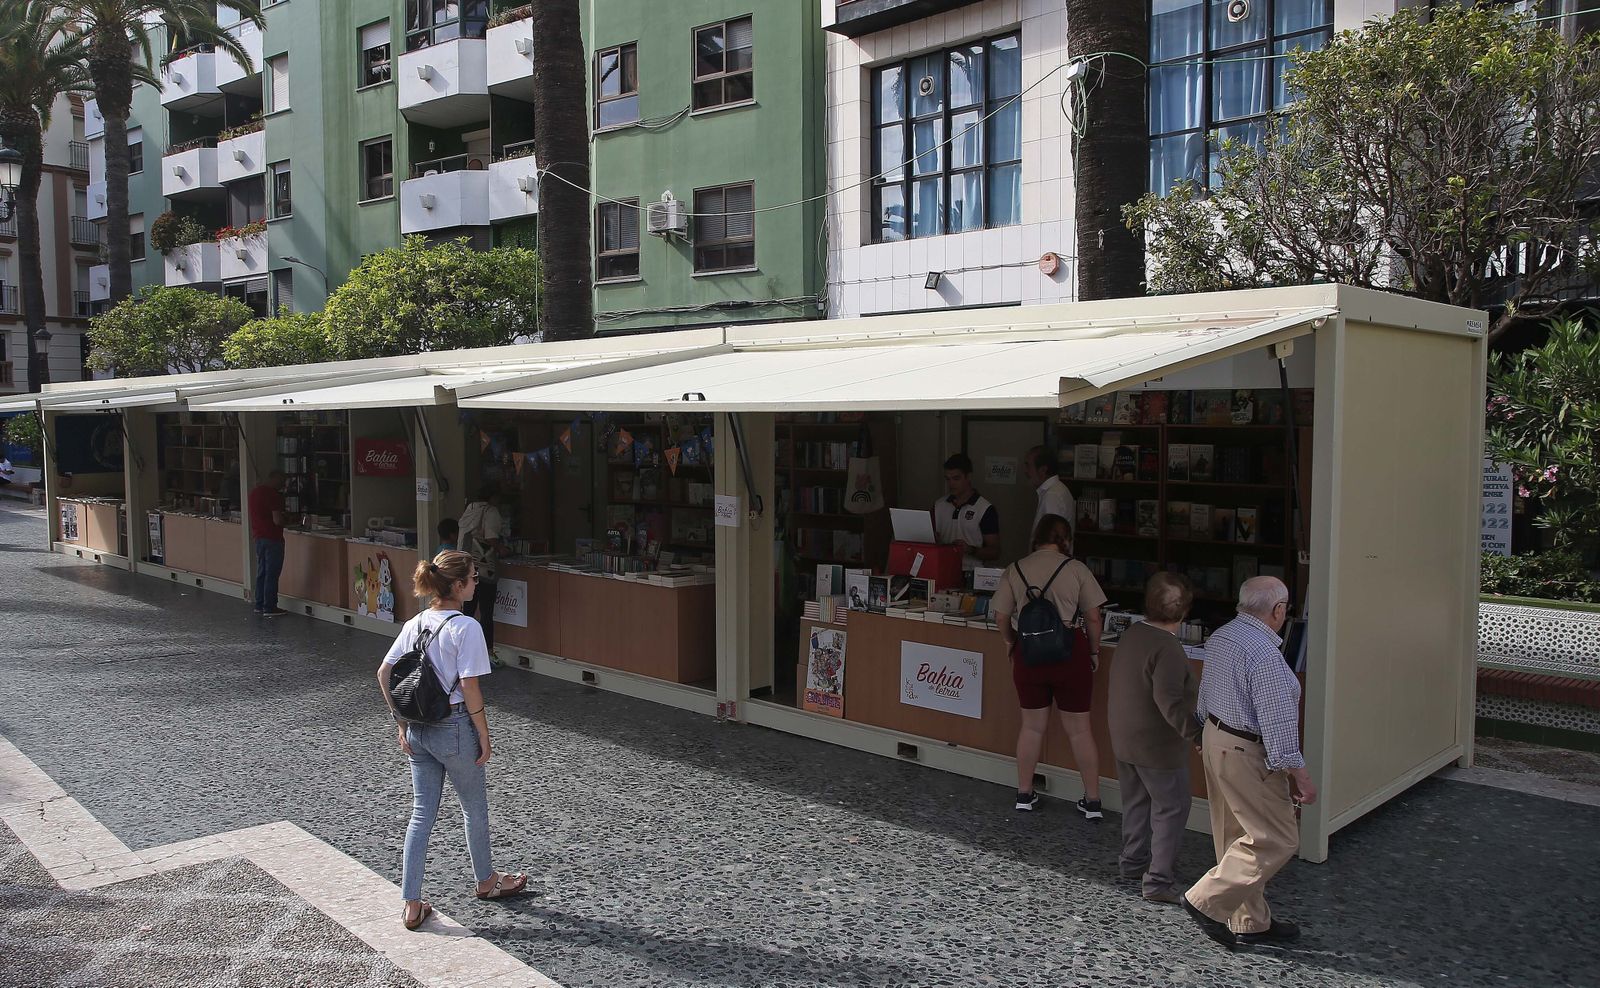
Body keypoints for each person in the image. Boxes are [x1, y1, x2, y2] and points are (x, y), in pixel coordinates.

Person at [377, 550, 527, 931]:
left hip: (419, 730)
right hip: (455, 727)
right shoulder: (467, 628)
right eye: (474, 578)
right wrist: (484, 733)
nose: (477, 583)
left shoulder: (416, 622)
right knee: (473, 808)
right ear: (458, 585)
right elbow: (469, 685)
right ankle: (487, 882)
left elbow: (384, 672)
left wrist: (400, 722)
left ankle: (412, 903)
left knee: (421, 814)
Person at [1182, 576, 1318, 951]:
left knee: (1233, 836)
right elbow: (1277, 721)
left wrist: (1204, 734)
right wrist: (1299, 774)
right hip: (1245, 750)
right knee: (1277, 837)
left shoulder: (1223, 635)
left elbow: (1206, 688)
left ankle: (1249, 921)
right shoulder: (1264, 653)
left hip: (1216, 736)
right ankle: (1204, 900)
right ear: (1278, 611)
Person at [992, 513, 1107, 819]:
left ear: (1036, 537)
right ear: (1065, 539)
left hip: (1029, 655)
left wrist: (1010, 642)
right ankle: (1092, 801)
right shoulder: (1077, 569)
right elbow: (1094, 617)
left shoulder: (1015, 569)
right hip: (1070, 654)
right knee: (1080, 732)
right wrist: (1093, 651)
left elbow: (1001, 616)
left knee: (1031, 727)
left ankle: (1024, 794)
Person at [1109, 572, 1203, 905]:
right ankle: (1158, 880)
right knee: (1173, 806)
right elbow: (1170, 702)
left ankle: (1133, 862)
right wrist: (1196, 733)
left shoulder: (1132, 634)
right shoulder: (1169, 648)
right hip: (1157, 745)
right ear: (1183, 613)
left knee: (1135, 801)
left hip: (1124, 737)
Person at [933, 453, 1000, 574]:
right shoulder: (938, 505)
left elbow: (995, 552)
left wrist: (970, 550)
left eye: (956, 478)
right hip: (941, 569)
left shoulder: (984, 508)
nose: (951, 484)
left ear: (968, 477)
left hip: (970, 573)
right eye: (947, 479)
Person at [457, 485, 505, 653]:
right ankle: (488, 651)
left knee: (467, 610)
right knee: (486, 612)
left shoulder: (470, 508)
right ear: (493, 496)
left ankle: (463, 648)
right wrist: (503, 549)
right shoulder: (491, 512)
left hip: (467, 567)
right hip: (485, 569)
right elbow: (492, 538)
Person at [248, 470, 287, 617]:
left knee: (262, 572)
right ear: (275, 479)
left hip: (259, 537)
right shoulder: (272, 495)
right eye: (282, 482)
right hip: (273, 538)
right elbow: (277, 520)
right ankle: (270, 606)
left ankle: (259, 604)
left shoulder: (254, 493)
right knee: (272, 573)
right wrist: (288, 520)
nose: (283, 486)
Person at [1023, 445, 1075, 537]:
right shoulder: (1056, 490)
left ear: (1043, 470)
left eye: (1028, 466)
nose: (1025, 471)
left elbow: (1050, 541)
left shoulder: (1052, 496)